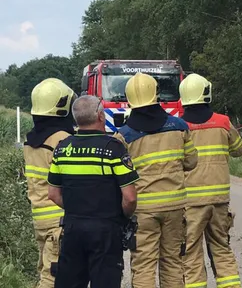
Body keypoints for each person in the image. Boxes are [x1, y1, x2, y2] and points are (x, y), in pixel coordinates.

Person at [114, 72, 198, 288]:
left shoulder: (123, 136)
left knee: (143, 265)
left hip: (142, 211)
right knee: (172, 263)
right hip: (175, 207)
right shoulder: (179, 127)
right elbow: (191, 162)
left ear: (129, 99)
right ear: (156, 94)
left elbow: (118, 178)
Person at [47, 95, 139, 288]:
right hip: (105, 230)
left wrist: (77, 208)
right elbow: (130, 198)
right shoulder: (113, 149)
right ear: (100, 116)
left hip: (72, 229)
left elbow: (53, 194)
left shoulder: (62, 148)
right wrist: (121, 216)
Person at [180, 73, 242, 288]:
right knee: (221, 248)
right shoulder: (222, 122)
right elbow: (239, 150)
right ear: (206, 93)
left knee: (190, 252)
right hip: (219, 200)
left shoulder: (178, 125)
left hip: (190, 202)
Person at [23, 79, 76, 288]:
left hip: (40, 218)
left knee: (46, 271)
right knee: (53, 277)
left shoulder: (30, 141)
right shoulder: (63, 140)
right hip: (59, 218)